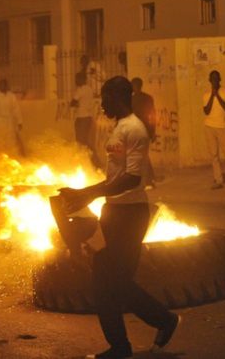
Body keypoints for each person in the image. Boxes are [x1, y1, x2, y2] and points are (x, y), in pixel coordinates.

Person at [59, 76, 180, 359]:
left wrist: (88, 193)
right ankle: (133, 339)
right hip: (113, 212)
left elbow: (131, 179)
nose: (102, 104)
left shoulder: (134, 130)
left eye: (105, 97)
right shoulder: (118, 128)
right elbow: (115, 175)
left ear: (119, 97)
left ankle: (149, 329)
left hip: (130, 214)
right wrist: (86, 195)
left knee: (111, 281)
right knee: (109, 281)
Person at [71, 72, 101, 168]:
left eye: (77, 78)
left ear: (82, 79)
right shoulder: (89, 89)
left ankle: (94, 162)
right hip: (88, 117)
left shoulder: (81, 90)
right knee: (85, 142)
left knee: (82, 142)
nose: (75, 81)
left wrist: (75, 104)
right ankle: (92, 162)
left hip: (82, 118)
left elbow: (73, 102)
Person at [131, 77, 156, 187]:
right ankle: (149, 178)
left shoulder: (131, 99)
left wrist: (153, 131)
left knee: (142, 155)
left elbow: (152, 115)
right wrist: (152, 131)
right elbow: (153, 116)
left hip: (138, 130)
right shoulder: (147, 98)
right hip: (142, 129)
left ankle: (149, 179)